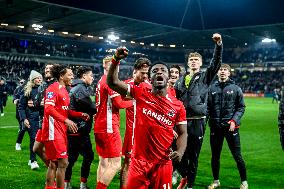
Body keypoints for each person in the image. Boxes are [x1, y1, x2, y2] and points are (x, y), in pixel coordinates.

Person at [107, 47, 188, 189]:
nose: (159, 72)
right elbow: (112, 82)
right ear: (149, 78)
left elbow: (183, 132)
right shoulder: (140, 92)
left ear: (168, 77)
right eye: (155, 71)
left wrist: (180, 151)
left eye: (163, 70)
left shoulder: (178, 105)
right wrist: (116, 59)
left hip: (163, 164)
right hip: (139, 164)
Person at [175, 33, 223, 189]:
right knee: (180, 155)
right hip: (181, 122)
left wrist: (218, 45)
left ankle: (190, 185)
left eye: (196, 60)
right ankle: (184, 176)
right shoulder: (181, 79)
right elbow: (175, 99)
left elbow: (215, 62)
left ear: (201, 63)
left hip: (197, 121)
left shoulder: (205, 77)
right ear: (188, 63)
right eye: (191, 60)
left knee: (193, 156)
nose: (193, 61)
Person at [42, 64, 89, 189]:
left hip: (60, 131)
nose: (72, 76)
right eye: (69, 74)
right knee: (63, 163)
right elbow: (48, 108)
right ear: (61, 76)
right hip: (53, 131)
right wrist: (66, 121)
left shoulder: (65, 90)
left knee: (54, 164)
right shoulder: (53, 88)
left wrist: (79, 114)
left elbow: (65, 110)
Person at [94, 55, 133, 189]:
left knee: (103, 162)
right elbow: (119, 104)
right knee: (116, 164)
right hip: (108, 126)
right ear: (104, 66)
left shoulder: (101, 80)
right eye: (112, 64)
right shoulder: (109, 82)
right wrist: (135, 101)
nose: (115, 67)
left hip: (99, 125)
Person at [207, 64, 248, 189]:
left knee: (237, 156)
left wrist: (234, 121)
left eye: (225, 70)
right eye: (220, 70)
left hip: (231, 128)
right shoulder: (211, 88)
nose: (222, 72)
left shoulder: (236, 88)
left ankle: (244, 182)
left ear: (229, 73)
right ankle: (216, 181)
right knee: (215, 156)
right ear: (217, 73)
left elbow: (241, 107)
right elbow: (207, 108)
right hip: (215, 128)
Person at [120, 57, 151, 189]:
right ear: (135, 71)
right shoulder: (126, 85)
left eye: (146, 73)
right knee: (127, 163)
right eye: (142, 72)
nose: (145, 76)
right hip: (132, 133)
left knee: (147, 164)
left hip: (148, 134)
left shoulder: (151, 87)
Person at [64, 66, 97, 189]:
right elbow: (92, 107)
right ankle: (82, 184)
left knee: (71, 158)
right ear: (84, 76)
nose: (92, 78)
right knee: (87, 156)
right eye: (91, 75)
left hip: (75, 128)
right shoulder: (80, 88)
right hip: (79, 129)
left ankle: (67, 184)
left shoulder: (75, 87)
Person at [18, 70, 43, 169]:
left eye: (40, 78)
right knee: (34, 139)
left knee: (42, 141)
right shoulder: (27, 90)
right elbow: (21, 107)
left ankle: (31, 159)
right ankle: (33, 161)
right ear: (33, 79)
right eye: (37, 78)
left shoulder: (43, 89)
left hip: (42, 117)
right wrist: (24, 119)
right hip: (31, 118)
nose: (39, 79)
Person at [33, 64, 56, 167]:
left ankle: (55, 175)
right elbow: (36, 103)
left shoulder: (57, 84)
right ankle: (52, 168)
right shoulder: (42, 85)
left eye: (49, 69)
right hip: (42, 122)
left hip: (54, 123)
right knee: (36, 149)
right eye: (46, 68)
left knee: (53, 152)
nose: (46, 70)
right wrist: (39, 103)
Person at [14, 79, 26, 151]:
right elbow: (15, 97)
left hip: (32, 111)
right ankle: (18, 144)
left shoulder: (35, 88)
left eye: (23, 82)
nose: (22, 83)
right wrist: (15, 100)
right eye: (21, 82)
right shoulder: (18, 89)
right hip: (22, 111)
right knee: (23, 129)